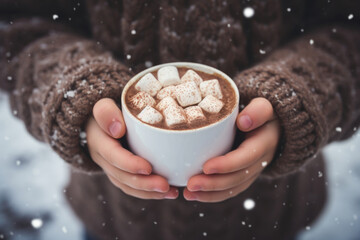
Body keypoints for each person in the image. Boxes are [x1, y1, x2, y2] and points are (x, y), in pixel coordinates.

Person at [1, 0, 359, 239]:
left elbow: (348, 28)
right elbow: (19, 26)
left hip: (270, 217)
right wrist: (76, 93)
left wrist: (297, 94)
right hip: (113, 218)